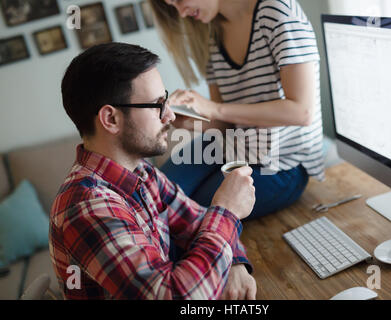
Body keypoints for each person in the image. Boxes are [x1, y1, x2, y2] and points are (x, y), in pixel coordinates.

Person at [49, 42, 256, 300]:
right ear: (111, 119)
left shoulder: (142, 172)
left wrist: (235, 263)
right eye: (157, 105)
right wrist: (227, 211)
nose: (169, 116)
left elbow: (198, 223)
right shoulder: (86, 207)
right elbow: (175, 296)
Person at [150, 0, 325, 220]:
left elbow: (302, 112)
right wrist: (193, 122)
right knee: (153, 196)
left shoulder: (278, 12)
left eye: (178, 0)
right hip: (234, 146)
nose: (181, 13)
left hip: (283, 163)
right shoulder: (214, 34)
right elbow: (227, 125)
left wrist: (214, 109)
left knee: (186, 216)